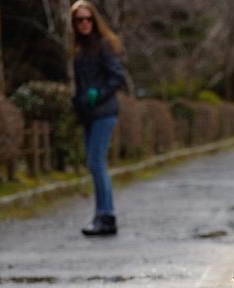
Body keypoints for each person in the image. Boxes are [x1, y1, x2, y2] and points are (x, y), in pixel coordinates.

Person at [70, 0, 128, 236]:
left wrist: (98, 94)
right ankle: (101, 216)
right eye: (79, 20)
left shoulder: (103, 45)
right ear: (74, 24)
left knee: (96, 162)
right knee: (95, 164)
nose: (84, 23)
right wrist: (79, 101)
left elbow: (118, 78)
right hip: (89, 114)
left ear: (94, 20)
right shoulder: (79, 51)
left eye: (87, 19)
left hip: (104, 112)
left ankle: (107, 216)